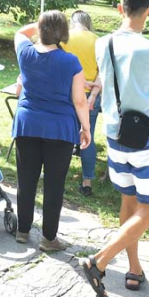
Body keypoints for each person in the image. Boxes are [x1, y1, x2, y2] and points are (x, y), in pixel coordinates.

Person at [79, 0, 149, 297]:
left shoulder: (102, 43)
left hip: (114, 133)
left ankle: (134, 269)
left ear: (120, 9)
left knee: (129, 202)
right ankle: (100, 260)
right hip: (145, 136)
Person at [12, 13, 91, 252]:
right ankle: (49, 238)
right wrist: (86, 128)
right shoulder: (71, 61)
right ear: (64, 33)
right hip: (60, 128)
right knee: (54, 185)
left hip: (27, 124)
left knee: (26, 180)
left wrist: (39, 25)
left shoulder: (25, 52)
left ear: (40, 29)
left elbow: (20, 33)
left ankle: (23, 230)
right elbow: (79, 100)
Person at [64, 10, 102, 196]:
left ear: (72, 21)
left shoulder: (64, 38)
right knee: (88, 137)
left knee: (63, 135)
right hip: (90, 95)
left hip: (67, 93)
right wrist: (93, 95)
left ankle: (57, 173)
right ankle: (87, 181)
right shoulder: (98, 41)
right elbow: (102, 72)